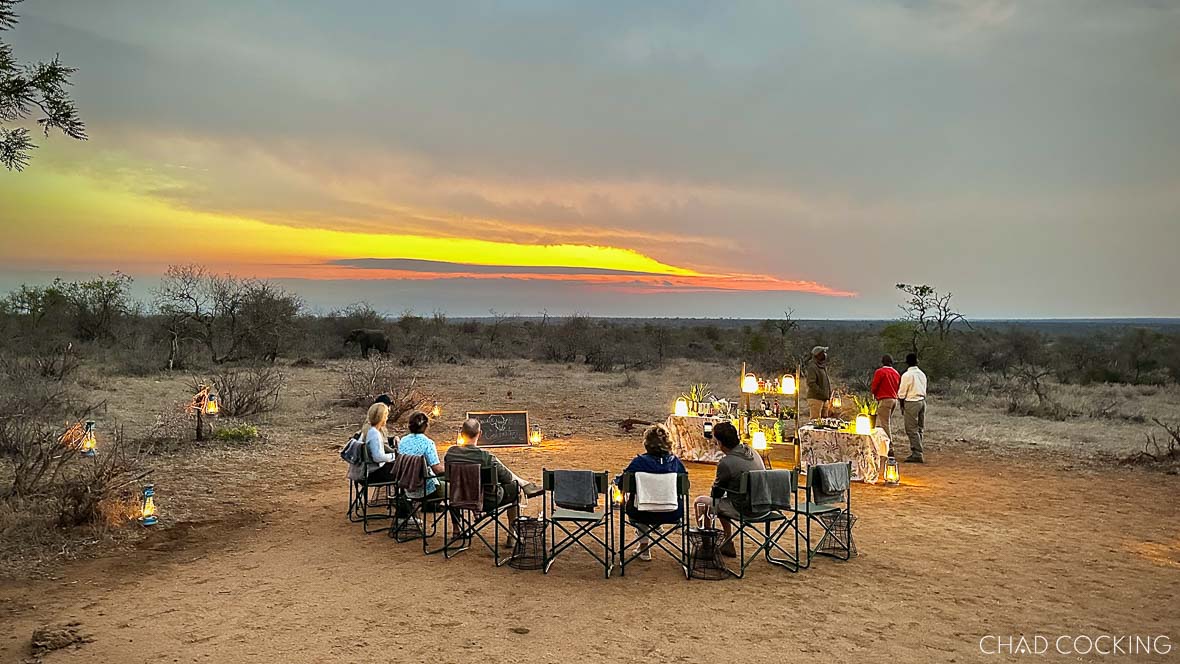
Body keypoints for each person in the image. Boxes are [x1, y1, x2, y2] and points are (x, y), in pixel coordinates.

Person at [615, 424, 687, 561]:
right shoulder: (676, 463)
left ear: (647, 444)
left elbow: (622, 484)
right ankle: (656, 525)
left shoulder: (639, 462)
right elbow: (685, 487)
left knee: (641, 502)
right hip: (672, 512)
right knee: (652, 499)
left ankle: (644, 548)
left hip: (641, 513)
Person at [694, 421, 764, 557]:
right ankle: (728, 542)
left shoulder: (727, 462)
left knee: (702, 502)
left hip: (744, 509)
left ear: (720, 443)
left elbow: (716, 494)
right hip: (763, 504)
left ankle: (707, 546)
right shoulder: (752, 451)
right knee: (724, 501)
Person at [445, 417, 543, 508]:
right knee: (514, 486)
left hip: (457, 497)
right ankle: (512, 525)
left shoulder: (450, 453)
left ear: (461, 433)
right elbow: (507, 478)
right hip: (486, 500)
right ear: (480, 434)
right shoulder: (486, 457)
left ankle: (456, 526)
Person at [397, 411, 446, 500]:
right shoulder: (427, 443)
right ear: (426, 426)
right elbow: (437, 470)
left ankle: (430, 506)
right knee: (452, 486)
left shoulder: (403, 441)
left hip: (407, 488)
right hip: (426, 490)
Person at [898, 352, 928, 463]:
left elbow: (902, 392)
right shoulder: (922, 374)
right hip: (922, 401)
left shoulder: (907, 375)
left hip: (911, 401)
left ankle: (917, 452)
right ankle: (918, 450)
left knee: (911, 428)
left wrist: (902, 404)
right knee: (919, 428)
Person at [360, 402, 398, 482]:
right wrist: (395, 456)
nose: (387, 418)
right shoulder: (374, 434)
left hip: (366, 471)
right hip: (374, 473)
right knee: (406, 469)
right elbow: (378, 457)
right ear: (381, 417)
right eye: (386, 416)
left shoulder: (366, 430)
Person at [870, 354, 901, 445]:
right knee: (884, 421)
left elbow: (875, 385)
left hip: (885, 399)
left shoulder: (880, 372)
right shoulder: (896, 373)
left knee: (884, 424)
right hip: (894, 399)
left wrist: (874, 394)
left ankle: (889, 445)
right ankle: (880, 443)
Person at [804, 345, 832, 420]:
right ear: (818, 355)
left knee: (824, 421)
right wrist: (821, 392)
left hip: (824, 398)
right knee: (815, 420)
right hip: (815, 398)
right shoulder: (813, 367)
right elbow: (811, 383)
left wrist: (828, 394)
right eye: (823, 353)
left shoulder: (821, 367)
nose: (824, 355)